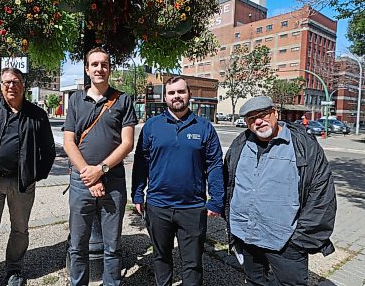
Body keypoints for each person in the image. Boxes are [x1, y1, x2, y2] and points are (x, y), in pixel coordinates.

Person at [223, 96, 337, 285]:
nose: (258, 121)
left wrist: (300, 240)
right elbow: (229, 184)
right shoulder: (240, 143)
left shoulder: (303, 145)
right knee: (253, 281)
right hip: (246, 234)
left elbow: (322, 195)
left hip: (286, 242)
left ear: (275, 112)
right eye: (251, 119)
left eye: (262, 115)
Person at [0, 68, 56, 286]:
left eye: (15, 82)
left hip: (22, 184)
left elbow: (48, 149)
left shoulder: (37, 114)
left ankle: (14, 269)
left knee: (20, 230)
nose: (11, 86)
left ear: (23, 85)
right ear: (0, 86)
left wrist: (36, 174)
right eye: (6, 82)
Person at [132, 76, 225, 286]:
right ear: (165, 97)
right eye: (172, 93)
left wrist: (216, 199)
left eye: (181, 92)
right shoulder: (152, 126)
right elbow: (141, 162)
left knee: (192, 264)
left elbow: (215, 165)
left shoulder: (204, 127)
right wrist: (138, 193)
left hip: (192, 208)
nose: (177, 96)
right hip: (158, 206)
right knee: (161, 257)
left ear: (189, 94)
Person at [63, 47, 137, 286]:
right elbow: (68, 142)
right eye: (94, 64)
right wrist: (89, 174)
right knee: (77, 245)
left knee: (113, 245)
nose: (99, 69)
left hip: (112, 181)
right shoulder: (75, 100)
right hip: (81, 182)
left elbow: (127, 143)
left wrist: (100, 170)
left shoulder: (123, 100)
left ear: (110, 69)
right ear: (87, 69)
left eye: (104, 64)